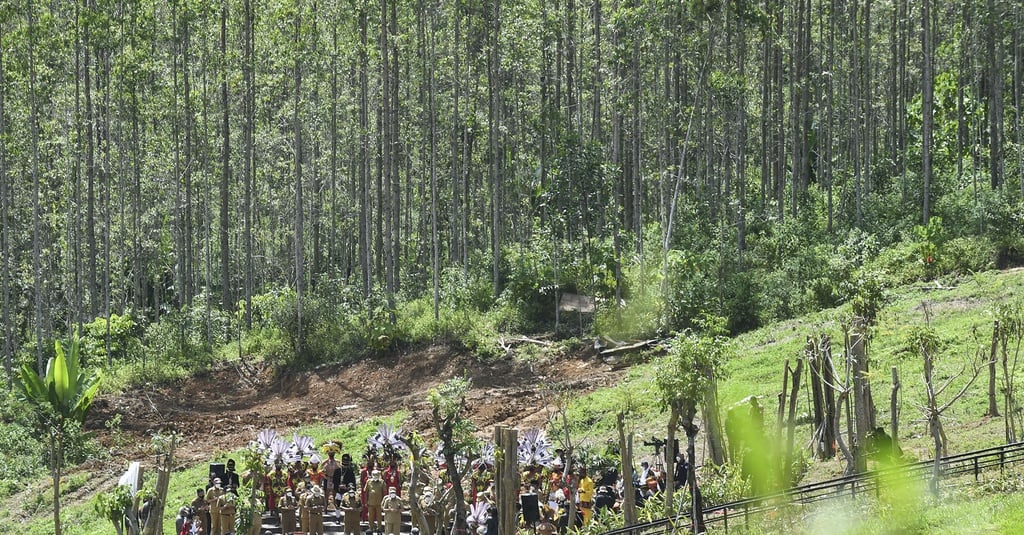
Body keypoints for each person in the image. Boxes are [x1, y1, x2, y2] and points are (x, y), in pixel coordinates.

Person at [365, 469, 385, 533]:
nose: (375, 476)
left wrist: (384, 503)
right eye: (374, 475)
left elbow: (384, 493)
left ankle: (379, 529)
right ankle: (371, 529)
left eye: (377, 475)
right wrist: (366, 501)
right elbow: (366, 492)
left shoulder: (382, 482)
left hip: (379, 503)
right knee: (370, 517)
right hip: (370, 503)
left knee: (379, 517)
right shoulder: (368, 482)